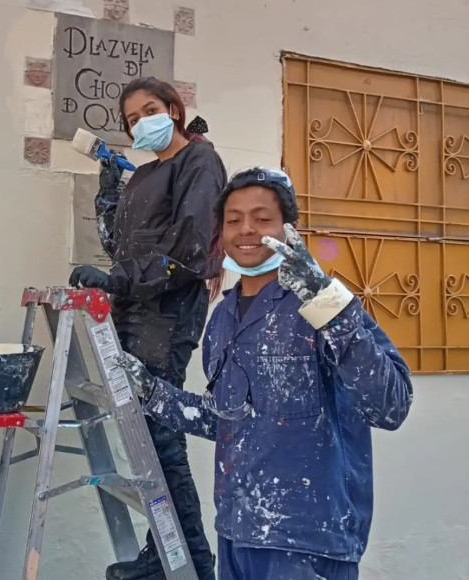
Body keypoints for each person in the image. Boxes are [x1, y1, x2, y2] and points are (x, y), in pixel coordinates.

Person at [117, 167, 414, 580]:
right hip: (238, 533)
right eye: (234, 220)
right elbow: (229, 420)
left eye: (262, 218)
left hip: (306, 541)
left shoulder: (323, 302)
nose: (247, 230)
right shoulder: (221, 317)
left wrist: (323, 300)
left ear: (289, 229)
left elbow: (390, 406)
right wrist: (153, 394)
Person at [69, 76, 227, 580]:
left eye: (150, 110)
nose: (141, 122)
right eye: (131, 118)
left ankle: (184, 560)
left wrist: (118, 278)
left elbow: (190, 249)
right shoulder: (144, 174)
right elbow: (122, 246)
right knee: (144, 434)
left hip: (168, 313)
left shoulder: (199, 161)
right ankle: (167, 549)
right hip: (134, 307)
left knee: (159, 435)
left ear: (175, 110)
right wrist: (109, 196)